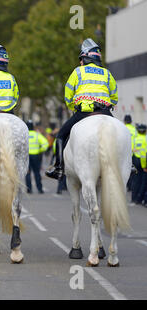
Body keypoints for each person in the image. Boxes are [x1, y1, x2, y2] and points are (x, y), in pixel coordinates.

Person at [46, 38, 118, 180]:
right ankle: (129, 165)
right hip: (105, 112)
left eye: (81, 59)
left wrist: (73, 107)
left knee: (60, 136)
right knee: (122, 134)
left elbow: (68, 94)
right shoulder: (106, 73)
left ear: (85, 58)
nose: (80, 62)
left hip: (84, 113)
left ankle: (58, 167)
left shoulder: (78, 72)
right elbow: (114, 96)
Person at [25, 120, 48, 194]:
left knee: (28, 173)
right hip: (36, 156)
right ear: (33, 126)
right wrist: (40, 150)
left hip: (27, 156)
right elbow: (45, 144)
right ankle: (40, 189)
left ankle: (29, 189)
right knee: (37, 173)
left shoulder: (24, 134)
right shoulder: (37, 135)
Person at [131, 124, 147, 205]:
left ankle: (133, 198)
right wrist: (144, 166)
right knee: (143, 181)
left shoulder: (134, 139)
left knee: (135, 180)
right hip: (143, 162)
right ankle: (139, 199)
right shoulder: (145, 139)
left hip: (135, 161)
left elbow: (132, 150)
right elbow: (144, 155)